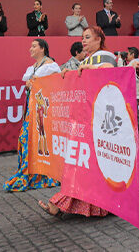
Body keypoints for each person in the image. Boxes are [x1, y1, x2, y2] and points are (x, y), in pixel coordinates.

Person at [38, 26, 113, 218]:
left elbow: (110, 73)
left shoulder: (105, 56)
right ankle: (69, 204)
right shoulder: (87, 60)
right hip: (86, 119)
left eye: (88, 37)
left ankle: (61, 205)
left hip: (99, 120)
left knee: (84, 166)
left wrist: (91, 68)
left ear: (99, 39)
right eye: (83, 37)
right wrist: (67, 76)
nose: (84, 41)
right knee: (82, 166)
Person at [3, 39, 61, 192]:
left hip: (43, 108)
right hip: (31, 107)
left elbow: (55, 84)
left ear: (42, 48)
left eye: (34, 46)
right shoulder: (33, 67)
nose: (31, 49)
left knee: (38, 138)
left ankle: (43, 173)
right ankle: (31, 170)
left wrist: (35, 83)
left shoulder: (50, 65)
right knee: (26, 138)